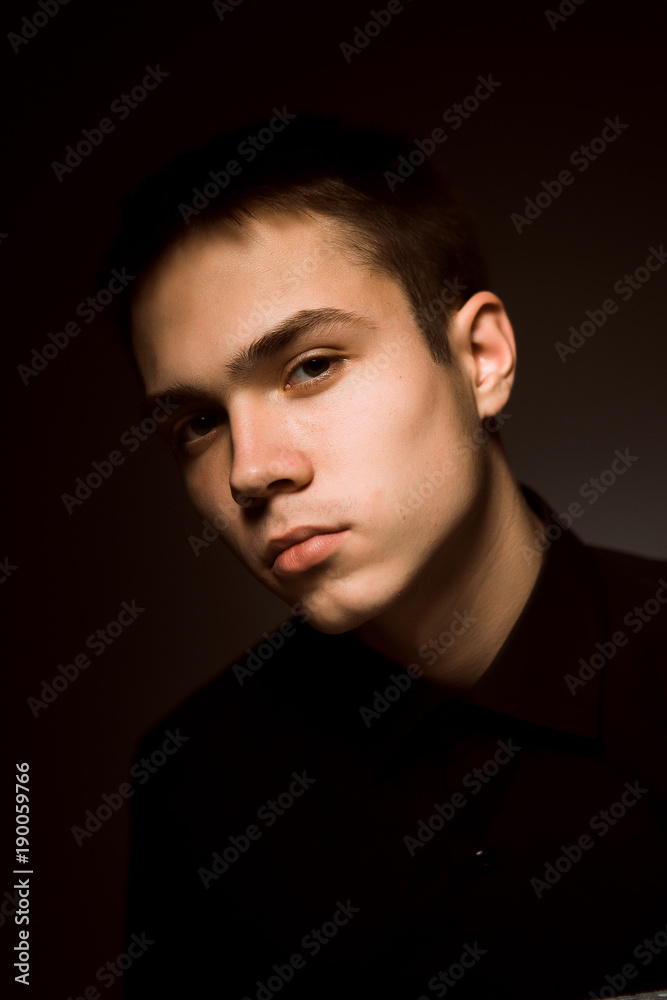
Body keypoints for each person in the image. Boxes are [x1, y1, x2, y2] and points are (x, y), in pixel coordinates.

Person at [110, 116, 667, 999]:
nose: (251, 470)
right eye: (198, 422)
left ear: (479, 359)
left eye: (311, 366)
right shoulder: (194, 783)